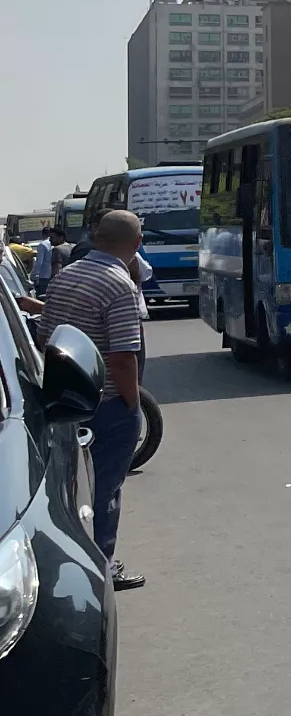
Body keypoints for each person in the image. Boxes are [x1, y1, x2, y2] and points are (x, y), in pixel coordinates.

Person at [33, 210, 147, 589]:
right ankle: (101, 568)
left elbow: (46, 336)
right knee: (105, 489)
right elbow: (122, 356)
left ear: (96, 238)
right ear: (137, 244)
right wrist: (132, 403)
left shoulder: (67, 275)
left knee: (70, 487)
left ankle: (73, 560)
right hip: (107, 404)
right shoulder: (119, 284)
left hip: (65, 399)